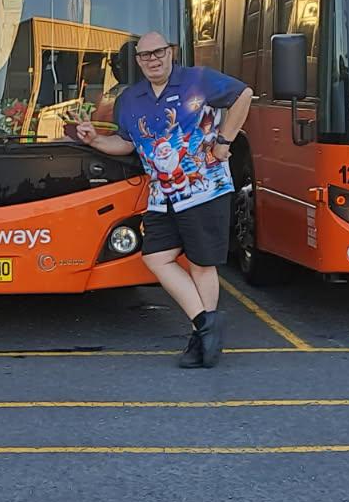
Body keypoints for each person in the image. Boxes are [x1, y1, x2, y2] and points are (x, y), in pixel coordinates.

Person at [73, 31, 254, 368]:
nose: (152, 60)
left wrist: (225, 142)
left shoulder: (198, 80)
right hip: (162, 196)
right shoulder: (130, 99)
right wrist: (96, 140)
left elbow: (245, 94)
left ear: (171, 52)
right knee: (155, 257)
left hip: (204, 188)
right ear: (137, 61)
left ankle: (201, 341)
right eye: (145, 56)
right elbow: (127, 144)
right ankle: (206, 324)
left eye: (158, 53)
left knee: (201, 264)